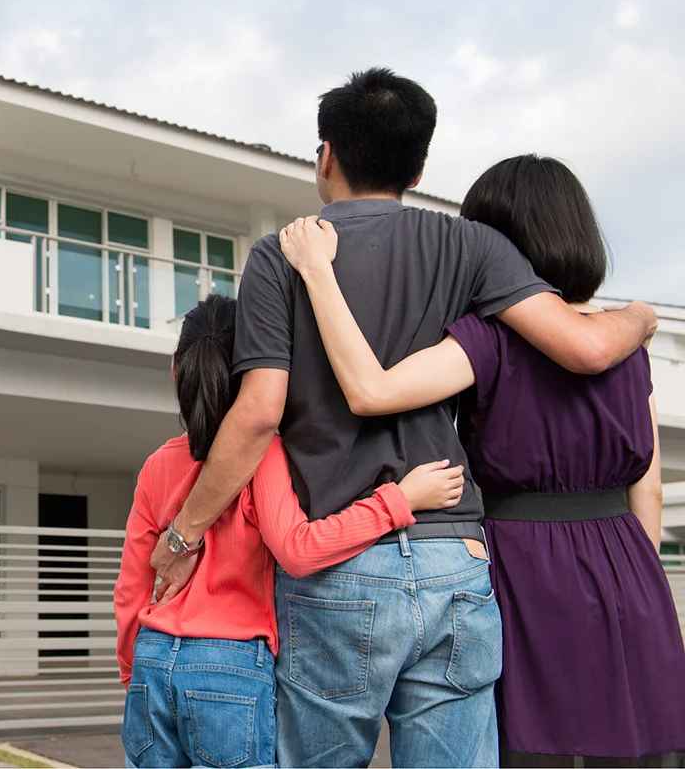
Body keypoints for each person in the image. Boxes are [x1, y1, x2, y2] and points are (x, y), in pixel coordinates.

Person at [148, 68, 658, 768]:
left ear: (326, 155)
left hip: (339, 566)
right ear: (418, 166)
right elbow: (584, 347)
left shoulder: (281, 256)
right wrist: (642, 314)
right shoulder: (473, 248)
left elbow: (261, 411)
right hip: (455, 557)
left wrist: (182, 535)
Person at [277, 154, 685, 765]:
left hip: (523, 563)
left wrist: (318, 276)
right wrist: (631, 579)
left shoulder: (488, 338)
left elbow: (373, 390)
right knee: (631, 744)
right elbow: (646, 485)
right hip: (628, 567)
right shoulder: (629, 343)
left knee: (523, 744)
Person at [114, 294, 468, 768]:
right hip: (230, 666)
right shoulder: (265, 455)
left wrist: (134, 672)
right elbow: (299, 549)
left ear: (176, 370)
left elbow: (131, 586)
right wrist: (398, 501)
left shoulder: (159, 464)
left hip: (152, 660)